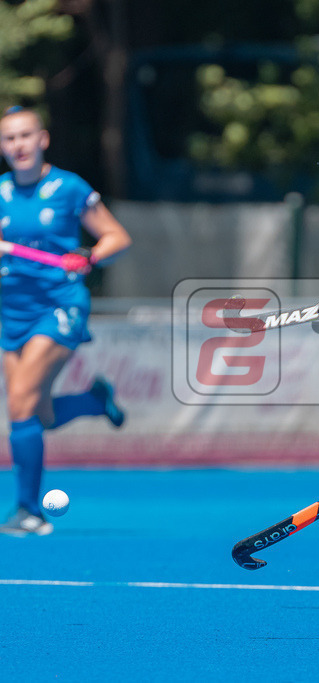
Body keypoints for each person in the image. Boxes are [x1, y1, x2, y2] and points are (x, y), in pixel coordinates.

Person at [0, 106, 131, 536]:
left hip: (59, 306)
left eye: (25, 135)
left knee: (20, 403)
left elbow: (117, 237)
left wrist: (89, 255)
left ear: (43, 140)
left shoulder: (68, 187)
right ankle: (93, 401)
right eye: (9, 138)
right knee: (38, 414)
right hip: (11, 313)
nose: (18, 145)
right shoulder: (0, 192)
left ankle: (28, 512)